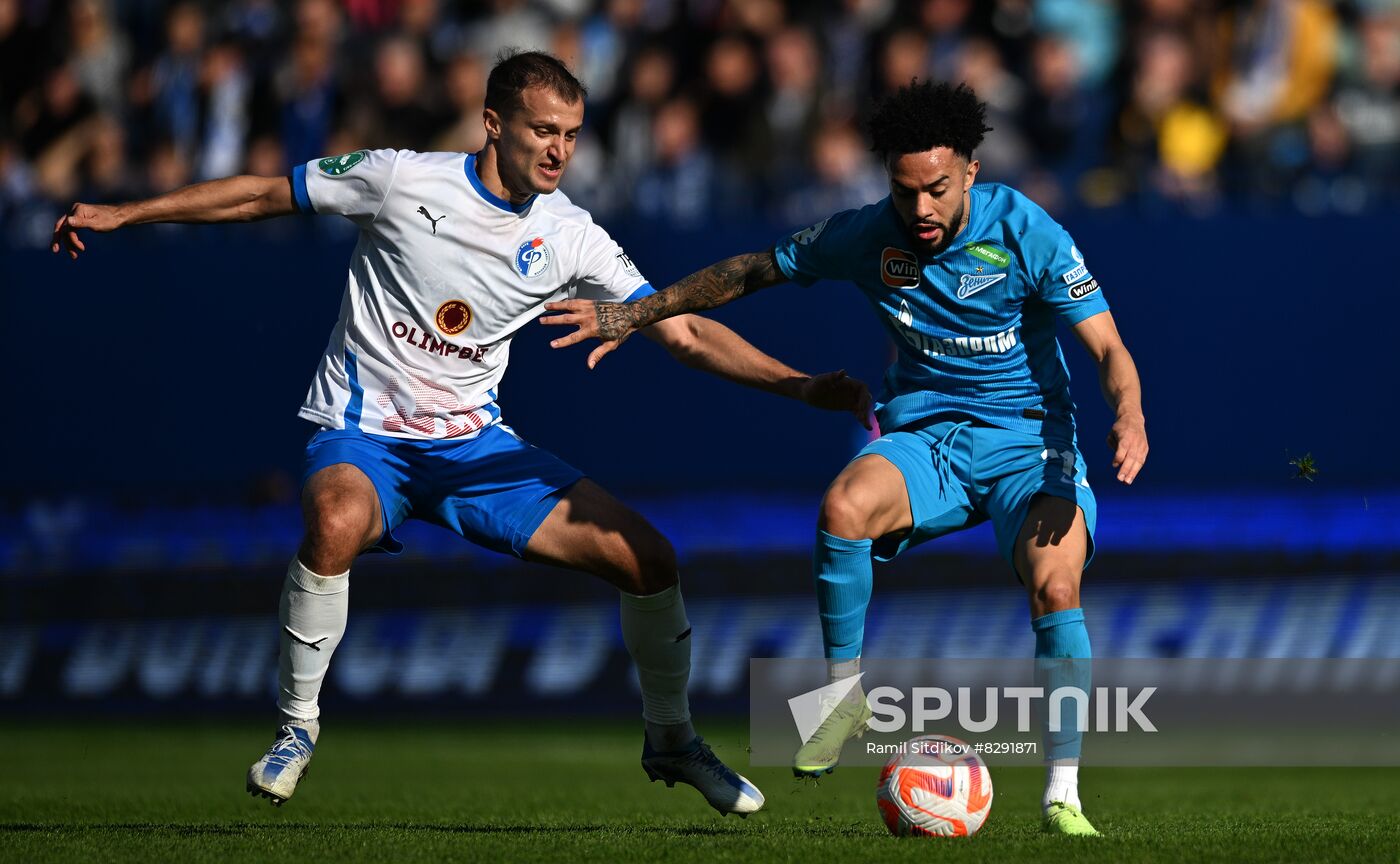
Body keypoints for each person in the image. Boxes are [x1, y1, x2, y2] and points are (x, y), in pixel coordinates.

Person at [51, 50, 872, 817]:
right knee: (334, 520)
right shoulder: (402, 180)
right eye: (543, 131)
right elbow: (263, 194)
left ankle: (673, 742)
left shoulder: (570, 233)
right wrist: (127, 212)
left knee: (650, 561)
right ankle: (297, 725)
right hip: (366, 435)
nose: (559, 151)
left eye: (573, 136)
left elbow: (684, 332)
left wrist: (799, 387)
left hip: (477, 450)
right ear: (493, 123)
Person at [542, 80, 1149, 836]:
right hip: (926, 441)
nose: (920, 210)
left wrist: (1129, 413)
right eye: (905, 191)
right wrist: (638, 311)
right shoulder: (867, 235)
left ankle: (1064, 794)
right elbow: (749, 272)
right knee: (843, 507)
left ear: (970, 169)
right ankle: (841, 700)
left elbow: (1109, 348)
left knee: (1056, 588)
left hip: (1030, 445)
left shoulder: (1029, 232)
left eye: (936, 189)